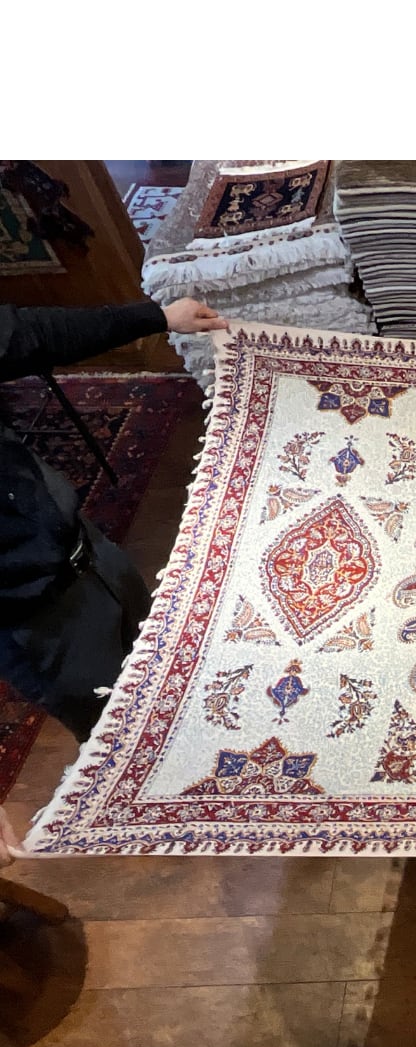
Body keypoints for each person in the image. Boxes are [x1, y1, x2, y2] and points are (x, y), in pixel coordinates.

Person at [0, 299, 227, 861]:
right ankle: (178, 804)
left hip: (84, 550)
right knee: (118, 729)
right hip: (33, 622)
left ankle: (198, 744)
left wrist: (156, 318)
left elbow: (27, 331)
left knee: (163, 659)